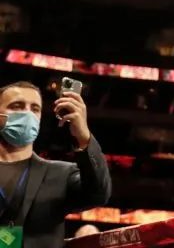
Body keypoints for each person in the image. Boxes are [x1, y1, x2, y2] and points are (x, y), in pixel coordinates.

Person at [0, 81, 111, 248]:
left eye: (35, 109)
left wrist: (83, 137)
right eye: (17, 106)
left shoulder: (62, 174)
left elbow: (99, 193)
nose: (28, 114)